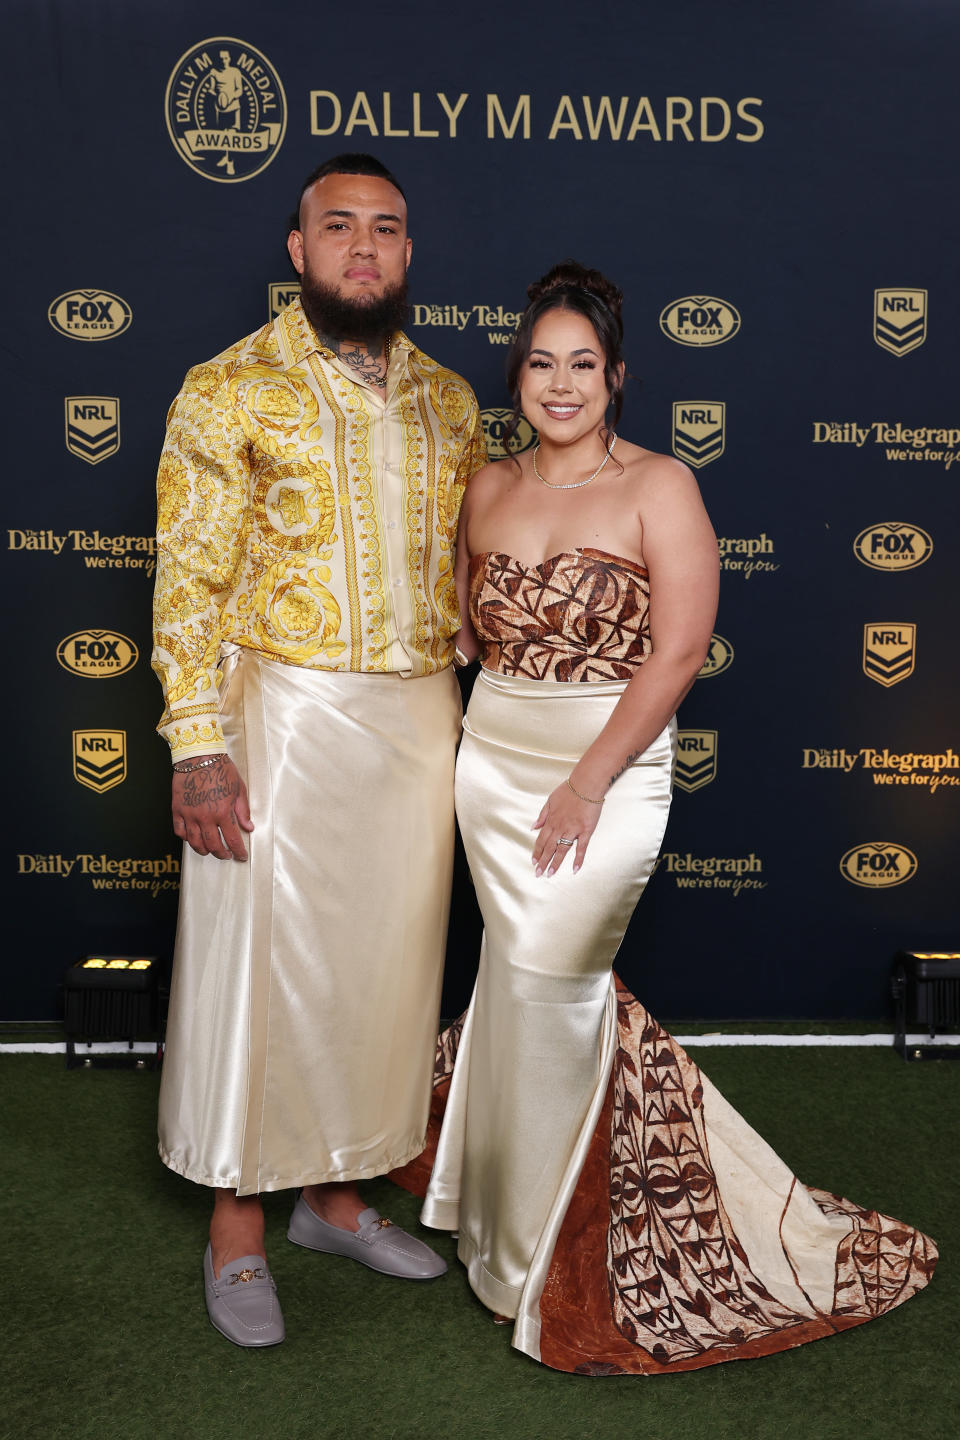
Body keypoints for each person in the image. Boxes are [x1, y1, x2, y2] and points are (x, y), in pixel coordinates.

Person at [391, 262, 937, 1374]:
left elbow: (680, 651)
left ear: (617, 378)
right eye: (540, 363)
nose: (559, 384)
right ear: (518, 376)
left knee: (552, 981)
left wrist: (589, 779)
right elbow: (468, 625)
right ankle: (498, 1223)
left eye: (581, 365)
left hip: (608, 771)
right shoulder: (486, 487)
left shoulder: (661, 487)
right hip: (491, 766)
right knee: (516, 981)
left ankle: (546, 1256)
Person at [152, 153, 487, 1347]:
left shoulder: (451, 400)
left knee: (385, 976)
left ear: (407, 255)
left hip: (416, 719)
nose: (362, 247)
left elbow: (467, 572)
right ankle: (237, 1229)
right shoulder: (229, 387)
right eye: (336, 226)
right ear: (297, 251)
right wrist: (198, 745)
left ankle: (336, 1200)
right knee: (260, 975)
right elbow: (187, 581)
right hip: (280, 714)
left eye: (385, 229)